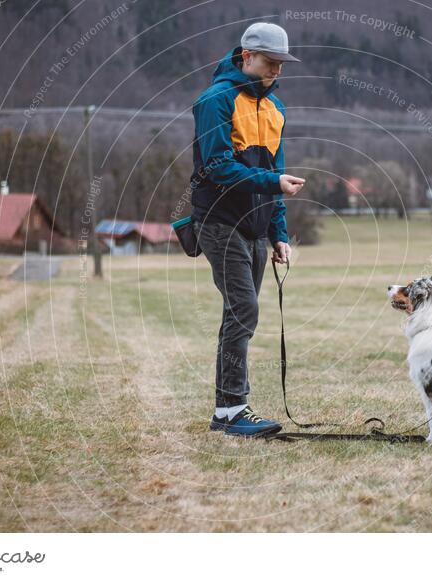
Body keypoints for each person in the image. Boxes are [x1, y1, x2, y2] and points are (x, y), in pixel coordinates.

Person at [190, 22, 305, 437]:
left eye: (281, 64)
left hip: (256, 228)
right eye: (270, 63)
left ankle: (225, 413)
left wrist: (279, 233)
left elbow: (275, 171)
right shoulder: (215, 100)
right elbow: (217, 167)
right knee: (244, 310)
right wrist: (273, 183)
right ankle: (235, 408)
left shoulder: (276, 110)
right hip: (219, 221)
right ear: (246, 57)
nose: (277, 71)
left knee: (236, 313)